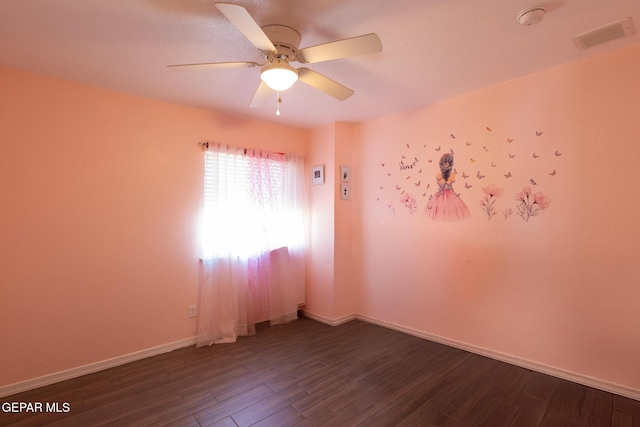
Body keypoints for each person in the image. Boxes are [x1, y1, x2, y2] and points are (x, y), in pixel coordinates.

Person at [425, 153, 471, 221]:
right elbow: (442, 182)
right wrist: (443, 178)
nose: (446, 166)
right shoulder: (439, 174)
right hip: (441, 194)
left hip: (449, 193)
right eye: (444, 164)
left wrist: (446, 180)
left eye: (447, 164)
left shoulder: (452, 174)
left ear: (450, 164)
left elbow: (449, 182)